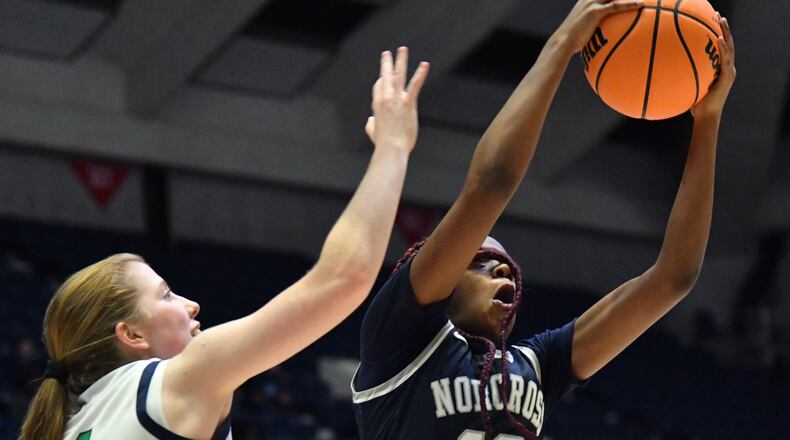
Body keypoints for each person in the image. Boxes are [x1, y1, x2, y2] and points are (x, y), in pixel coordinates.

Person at [351, 1, 736, 439]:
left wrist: (707, 120)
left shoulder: (536, 365)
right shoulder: (398, 339)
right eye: (478, 261)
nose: (502, 269)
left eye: (505, 267)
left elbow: (674, 278)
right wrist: (562, 43)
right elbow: (491, 185)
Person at [19, 48, 430, 440]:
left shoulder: (73, 425)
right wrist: (393, 147)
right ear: (131, 334)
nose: (190, 304)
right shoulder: (177, 381)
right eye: (166, 295)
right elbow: (343, 277)